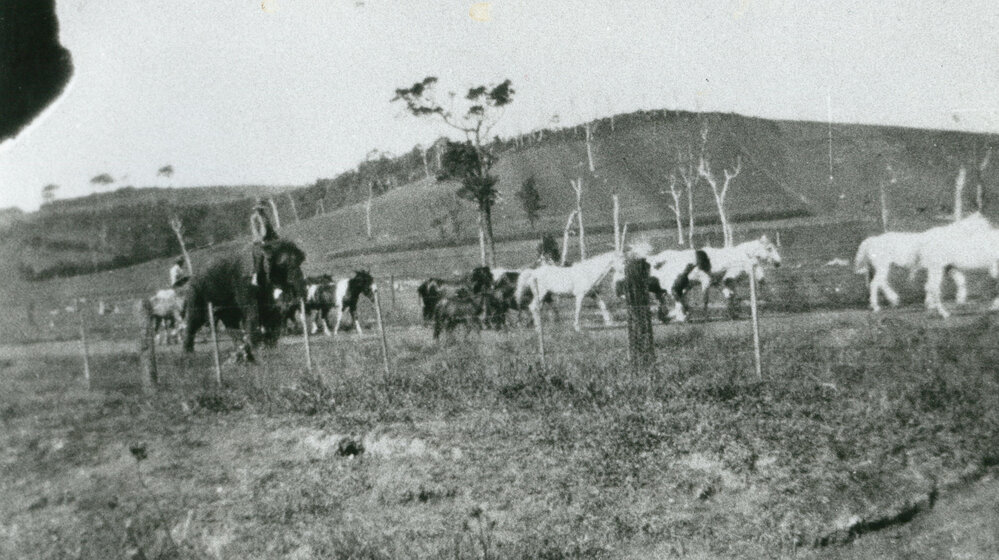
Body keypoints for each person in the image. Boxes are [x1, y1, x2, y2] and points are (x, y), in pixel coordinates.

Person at [250, 198, 278, 286]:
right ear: (256, 209)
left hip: (269, 240)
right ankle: (255, 277)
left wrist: (276, 236)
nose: (260, 210)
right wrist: (261, 240)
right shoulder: (254, 218)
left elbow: (270, 229)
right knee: (260, 256)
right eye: (259, 209)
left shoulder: (265, 217)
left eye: (262, 208)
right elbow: (255, 231)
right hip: (259, 241)